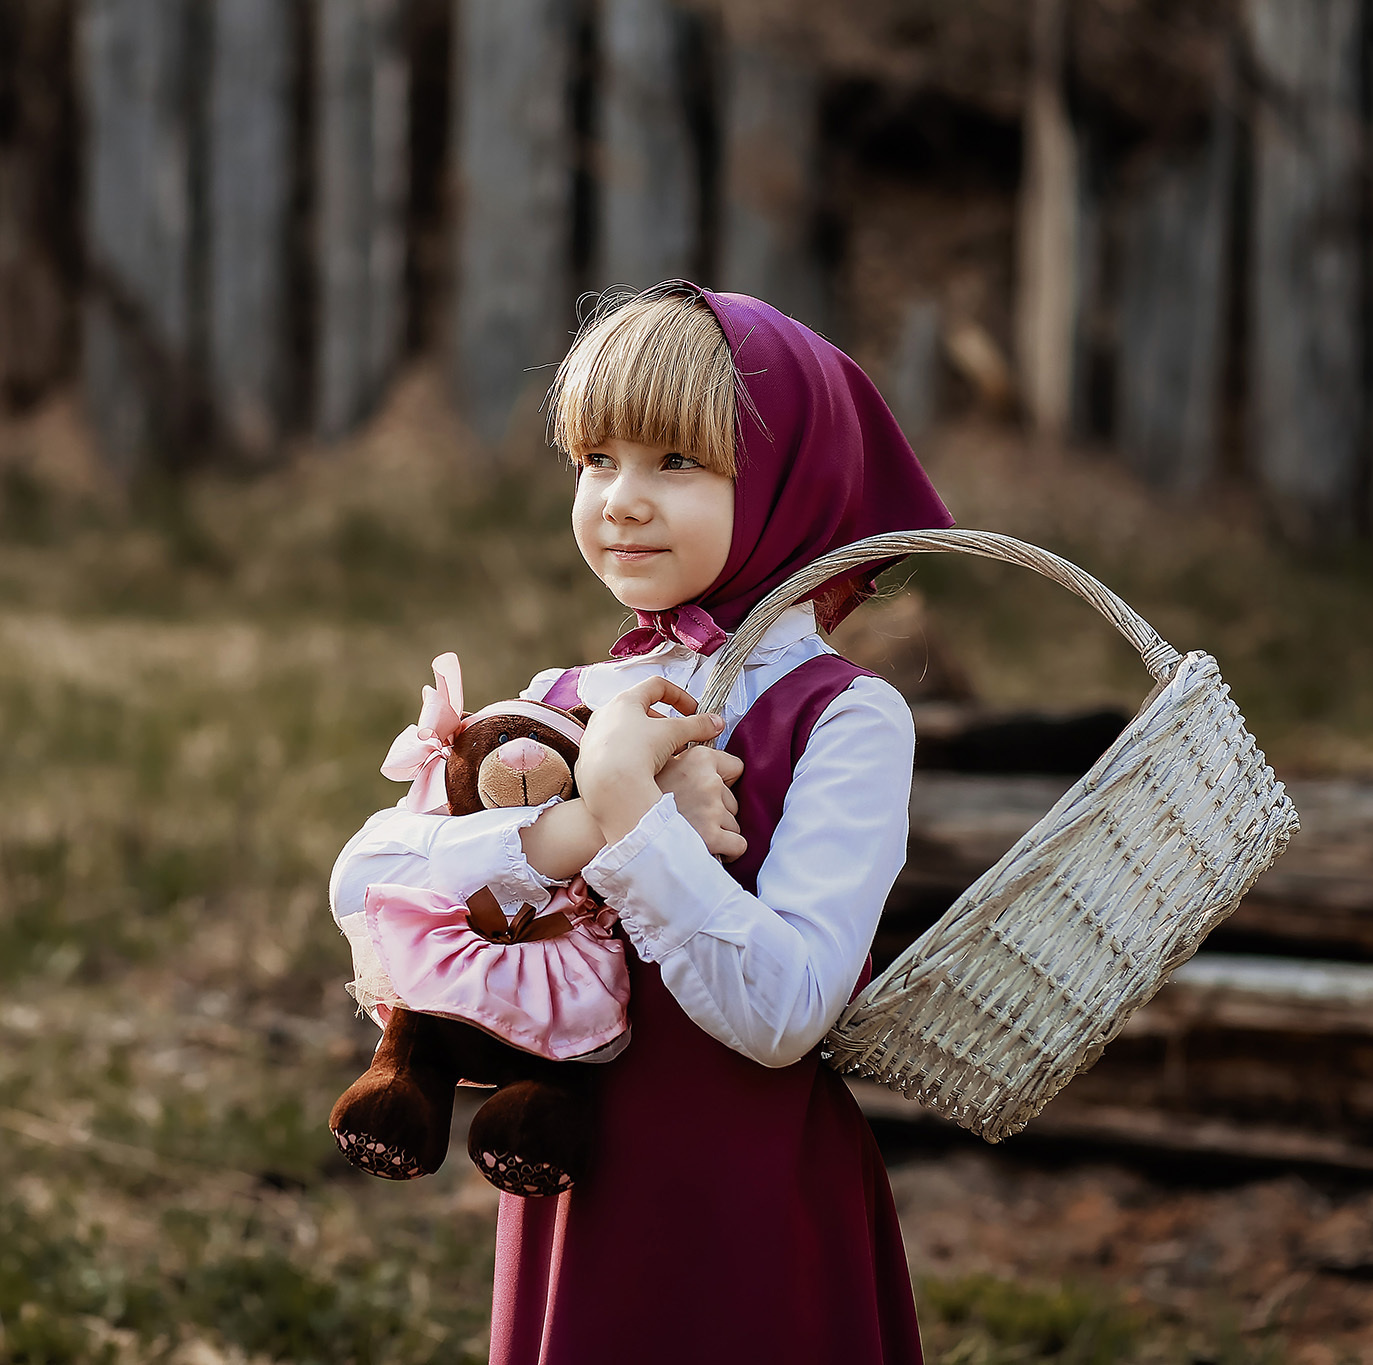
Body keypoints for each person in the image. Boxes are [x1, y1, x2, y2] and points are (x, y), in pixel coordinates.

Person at [328, 282, 951, 1363]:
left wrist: (627, 808)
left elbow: (786, 1010)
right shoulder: (554, 697)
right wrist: (588, 814)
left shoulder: (846, 717)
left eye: (674, 462)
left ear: (785, 483)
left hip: (743, 1196)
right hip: (568, 1173)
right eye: (595, 458)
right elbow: (370, 889)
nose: (619, 498)